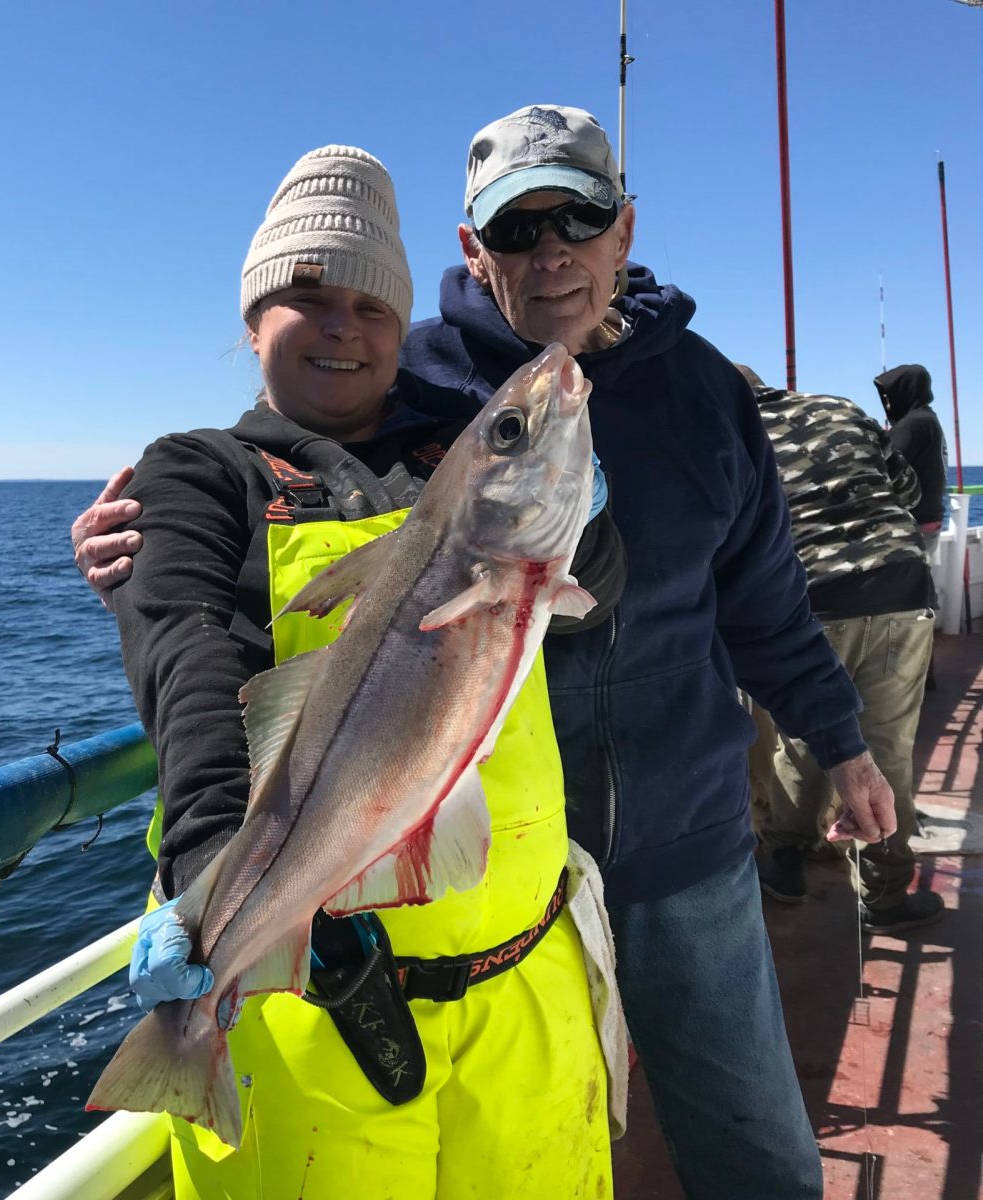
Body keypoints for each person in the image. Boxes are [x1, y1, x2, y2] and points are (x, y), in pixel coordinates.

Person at [75, 107, 899, 1200]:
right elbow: (216, 619)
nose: (551, 250)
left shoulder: (701, 393)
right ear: (475, 251)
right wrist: (143, 564)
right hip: (467, 900)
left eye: (580, 217)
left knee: (758, 1155)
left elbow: (759, 602)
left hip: (678, 842)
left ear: (624, 229)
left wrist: (840, 744)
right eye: (517, 229)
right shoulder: (408, 394)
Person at [99, 144, 628, 1200]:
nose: (344, 326)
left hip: (529, 991)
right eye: (309, 296)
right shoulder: (200, 475)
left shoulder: (451, 449)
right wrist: (210, 871)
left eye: (373, 307)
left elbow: (593, 605)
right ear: (254, 320)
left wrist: (576, 503)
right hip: (317, 1008)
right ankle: (194, 1056)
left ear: (405, 328)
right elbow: (193, 668)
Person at [740, 367, 944, 933]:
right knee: (888, 746)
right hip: (898, 584)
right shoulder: (839, 406)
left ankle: (784, 863)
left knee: (807, 735)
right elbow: (906, 489)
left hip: (809, 597)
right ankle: (882, 897)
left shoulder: (728, 429)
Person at [874, 363, 947, 559]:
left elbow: (881, 463)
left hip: (914, 525)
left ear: (904, 392)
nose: (887, 404)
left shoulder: (914, 423)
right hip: (929, 521)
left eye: (889, 398)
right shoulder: (928, 419)